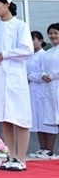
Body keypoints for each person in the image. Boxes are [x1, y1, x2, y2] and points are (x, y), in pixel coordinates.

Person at [0, 0, 32, 171]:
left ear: (7, 4)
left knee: (20, 118)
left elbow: (27, 49)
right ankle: (11, 156)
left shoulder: (20, 26)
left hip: (15, 77)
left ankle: (21, 158)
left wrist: (4, 54)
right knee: (6, 118)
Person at [27, 30, 55, 159]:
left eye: (33, 39)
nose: (31, 42)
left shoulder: (44, 55)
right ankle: (42, 147)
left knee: (47, 119)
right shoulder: (29, 56)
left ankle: (49, 149)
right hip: (32, 90)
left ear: (41, 41)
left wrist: (29, 76)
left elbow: (44, 74)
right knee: (37, 120)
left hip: (44, 90)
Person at [39, 23, 59, 157]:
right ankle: (51, 151)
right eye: (50, 33)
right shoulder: (48, 52)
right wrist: (43, 75)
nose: (53, 35)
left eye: (56, 33)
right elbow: (43, 69)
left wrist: (52, 75)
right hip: (50, 89)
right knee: (54, 119)